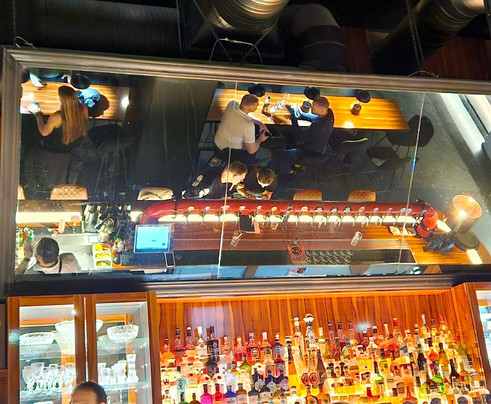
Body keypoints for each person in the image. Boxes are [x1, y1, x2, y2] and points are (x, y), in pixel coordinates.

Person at [28, 85, 89, 152]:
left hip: (59, 147)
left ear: (61, 99)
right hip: (76, 143)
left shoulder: (57, 116)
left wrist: (38, 116)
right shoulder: (84, 108)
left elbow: (44, 132)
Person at [213, 94, 269, 164]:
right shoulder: (248, 125)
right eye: (256, 105)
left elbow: (242, 115)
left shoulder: (231, 105)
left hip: (217, 144)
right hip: (229, 153)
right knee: (255, 150)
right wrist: (261, 139)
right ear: (250, 108)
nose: (257, 106)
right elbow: (251, 151)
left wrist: (259, 123)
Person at [16, 237, 82, 275]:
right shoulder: (70, 260)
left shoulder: (31, 274)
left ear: (39, 257)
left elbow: (17, 276)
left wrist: (27, 257)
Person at [184, 161, 248, 199]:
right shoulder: (208, 179)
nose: (242, 180)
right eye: (241, 179)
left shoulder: (230, 184)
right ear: (234, 176)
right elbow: (188, 196)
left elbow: (226, 199)